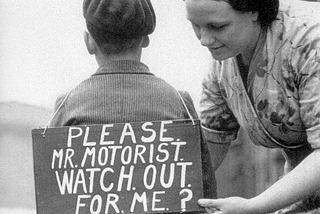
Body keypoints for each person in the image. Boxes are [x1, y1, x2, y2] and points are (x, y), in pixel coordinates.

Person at [48, 0, 216, 204]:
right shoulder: (178, 102)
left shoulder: (68, 106)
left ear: (89, 42)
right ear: (145, 40)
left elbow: (52, 194)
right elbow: (205, 193)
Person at [183, 0, 320, 213]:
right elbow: (212, 143)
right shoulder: (225, 56)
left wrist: (254, 206)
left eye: (217, 27)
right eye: (195, 25)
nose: (204, 39)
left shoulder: (311, 40)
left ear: (254, 10)